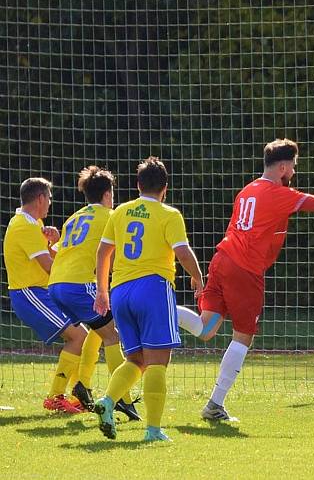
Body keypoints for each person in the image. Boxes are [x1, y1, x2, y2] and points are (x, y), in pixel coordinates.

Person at [176, 138, 314, 421]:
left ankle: (164, 309)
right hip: (244, 269)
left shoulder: (247, 190)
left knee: (206, 328)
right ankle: (215, 404)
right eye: (293, 168)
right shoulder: (276, 194)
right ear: (283, 167)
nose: (294, 174)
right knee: (243, 336)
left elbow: (233, 227)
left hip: (222, 259)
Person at [92, 157, 204, 442]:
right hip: (152, 288)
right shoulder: (169, 214)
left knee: (136, 359)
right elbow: (183, 251)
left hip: (120, 292)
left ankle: (107, 400)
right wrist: (198, 278)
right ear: (165, 188)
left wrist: (102, 291)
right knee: (157, 362)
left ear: (137, 185)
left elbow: (103, 253)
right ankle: (153, 430)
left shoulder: (120, 212)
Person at [48, 166, 139, 420]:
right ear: (108, 194)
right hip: (79, 286)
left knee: (89, 332)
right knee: (112, 336)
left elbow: (59, 252)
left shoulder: (73, 218)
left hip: (56, 284)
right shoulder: (110, 216)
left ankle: (72, 389)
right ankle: (123, 398)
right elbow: (122, 250)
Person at [2, 177, 87, 413]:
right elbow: (49, 266)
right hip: (30, 294)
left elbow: (47, 258)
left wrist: (55, 242)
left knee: (83, 336)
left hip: (40, 292)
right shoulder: (24, 226)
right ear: (40, 198)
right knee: (78, 337)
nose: (50, 203)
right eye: (49, 198)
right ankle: (56, 397)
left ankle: (78, 395)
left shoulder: (32, 222)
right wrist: (75, 272)